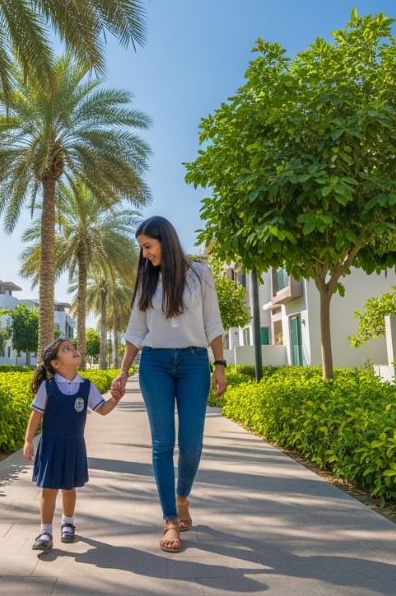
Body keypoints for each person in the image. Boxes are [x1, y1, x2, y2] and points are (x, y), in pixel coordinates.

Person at [111, 216, 227, 553]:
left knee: (191, 443)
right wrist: (121, 372)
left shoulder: (199, 274)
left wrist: (219, 364)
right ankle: (170, 520)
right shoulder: (146, 280)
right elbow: (135, 331)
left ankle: (182, 496)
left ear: (165, 240)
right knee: (163, 443)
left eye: (148, 246)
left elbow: (213, 322)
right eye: (142, 249)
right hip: (155, 364)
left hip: (193, 363)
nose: (145, 254)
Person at [24, 338, 124, 551]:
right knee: (49, 490)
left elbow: (102, 409)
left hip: (74, 446)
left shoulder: (86, 386)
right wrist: (27, 441)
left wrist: (115, 398)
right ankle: (45, 531)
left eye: (73, 347)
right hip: (50, 446)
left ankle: (67, 523)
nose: (74, 350)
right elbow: (36, 416)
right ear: (56, 363)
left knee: (69, 488)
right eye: (66, 349)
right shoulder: (47, 387)